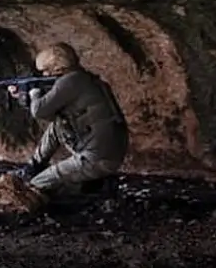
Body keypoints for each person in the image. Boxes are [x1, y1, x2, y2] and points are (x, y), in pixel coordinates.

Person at [8, 42, 129, 208]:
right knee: (57, 126)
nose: (44, 75)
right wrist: (24, 97)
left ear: (57, 66)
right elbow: (50, 113)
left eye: (46, 70)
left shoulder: (70, 81)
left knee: (37, 184)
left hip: (96, 158)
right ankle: (35, 166)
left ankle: (93, 187)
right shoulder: (84, 78)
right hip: (109, 151)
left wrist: (34, 93)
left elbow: (39, 111)